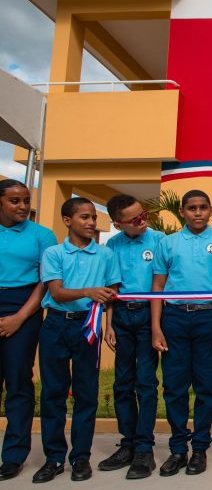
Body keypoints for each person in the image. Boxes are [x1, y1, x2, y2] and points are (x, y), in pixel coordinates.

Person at [34, 197, 121, 483]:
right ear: (68, 221)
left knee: (86, 395)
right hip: (56, 326)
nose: (91, 223)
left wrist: (108, 324)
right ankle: (54, 457)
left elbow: (110, 293)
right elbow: (57, 293)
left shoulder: (106, 255)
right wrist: (87, 292)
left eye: (94, 218)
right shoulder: (54, 253)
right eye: (84, 217)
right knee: (53, 394)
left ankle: (80, 458)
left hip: (89, 328)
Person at [151, 190, 212, 477]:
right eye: (191, 208)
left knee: (206, 387)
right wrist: (156, 327)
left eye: (202, 208)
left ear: (211, 211)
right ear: (183, 211)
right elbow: (158, 288)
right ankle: (178, 449)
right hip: (174, 318)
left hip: (210, 319)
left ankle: (200, 448)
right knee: (174, 387)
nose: (197, 213)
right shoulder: (169, 242)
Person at [98, 194, 164, 479]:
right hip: (122, 316)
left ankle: (144, 450)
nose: (142, 220)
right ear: (118, 223)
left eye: (144, 214)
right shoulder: (111, 246)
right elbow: (110, 288)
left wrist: (158, 325)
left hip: (150, 318)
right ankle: (127, 443)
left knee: (146, 382)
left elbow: (163, 284)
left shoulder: (160, 241)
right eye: (135, 219)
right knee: (122, 382)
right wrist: (109, 324)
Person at [0, 180, 57, 481]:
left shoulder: (41, 236)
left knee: (18, 383)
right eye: (14, 201)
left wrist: (19, 317)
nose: (22, 206)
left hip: (24, 305)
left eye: (25, 200)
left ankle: (13, 455)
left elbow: (46, 281)